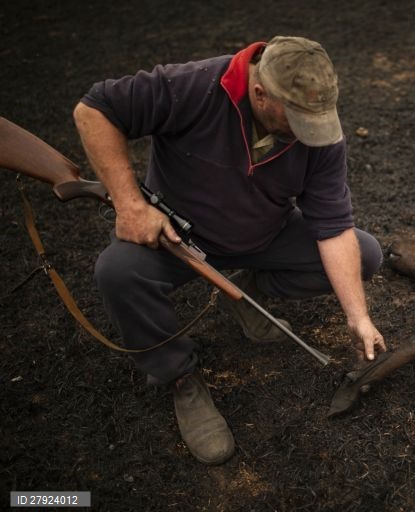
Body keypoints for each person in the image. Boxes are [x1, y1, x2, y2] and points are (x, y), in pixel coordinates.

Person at [73, 36, 387, 465]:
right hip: (178, 241)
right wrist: (130, 205)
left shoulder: (319, 134)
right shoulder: (194, 85)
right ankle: (178, 377)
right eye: (296, 119)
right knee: (117, 272)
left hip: (263, 237)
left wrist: (358, 316)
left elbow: (333, 229)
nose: (307, 133)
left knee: (365, 254)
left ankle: (245, 294)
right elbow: (93, 109)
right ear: (259, 93)